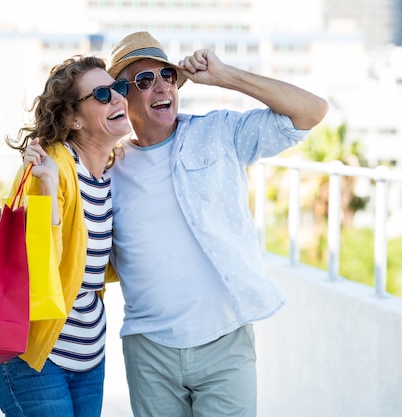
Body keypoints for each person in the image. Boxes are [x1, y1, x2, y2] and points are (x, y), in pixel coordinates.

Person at [106, 31, 329, 417]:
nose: (161, 87)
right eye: (145, 80)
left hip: (225, 344)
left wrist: (226, 76)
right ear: (123, 96)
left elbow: (310, 112)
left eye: (168, 76)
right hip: (149, 351)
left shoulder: (218, 132)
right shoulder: (108, 168)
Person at [0, 55, 132, 417]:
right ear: (73, 119)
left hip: (89, 357)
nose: (118, 98)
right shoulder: (51, 165)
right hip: (35, 354)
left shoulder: (111, 174)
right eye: (102, 94)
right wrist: (49, 187)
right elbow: (36, 268)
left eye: (118, 88)